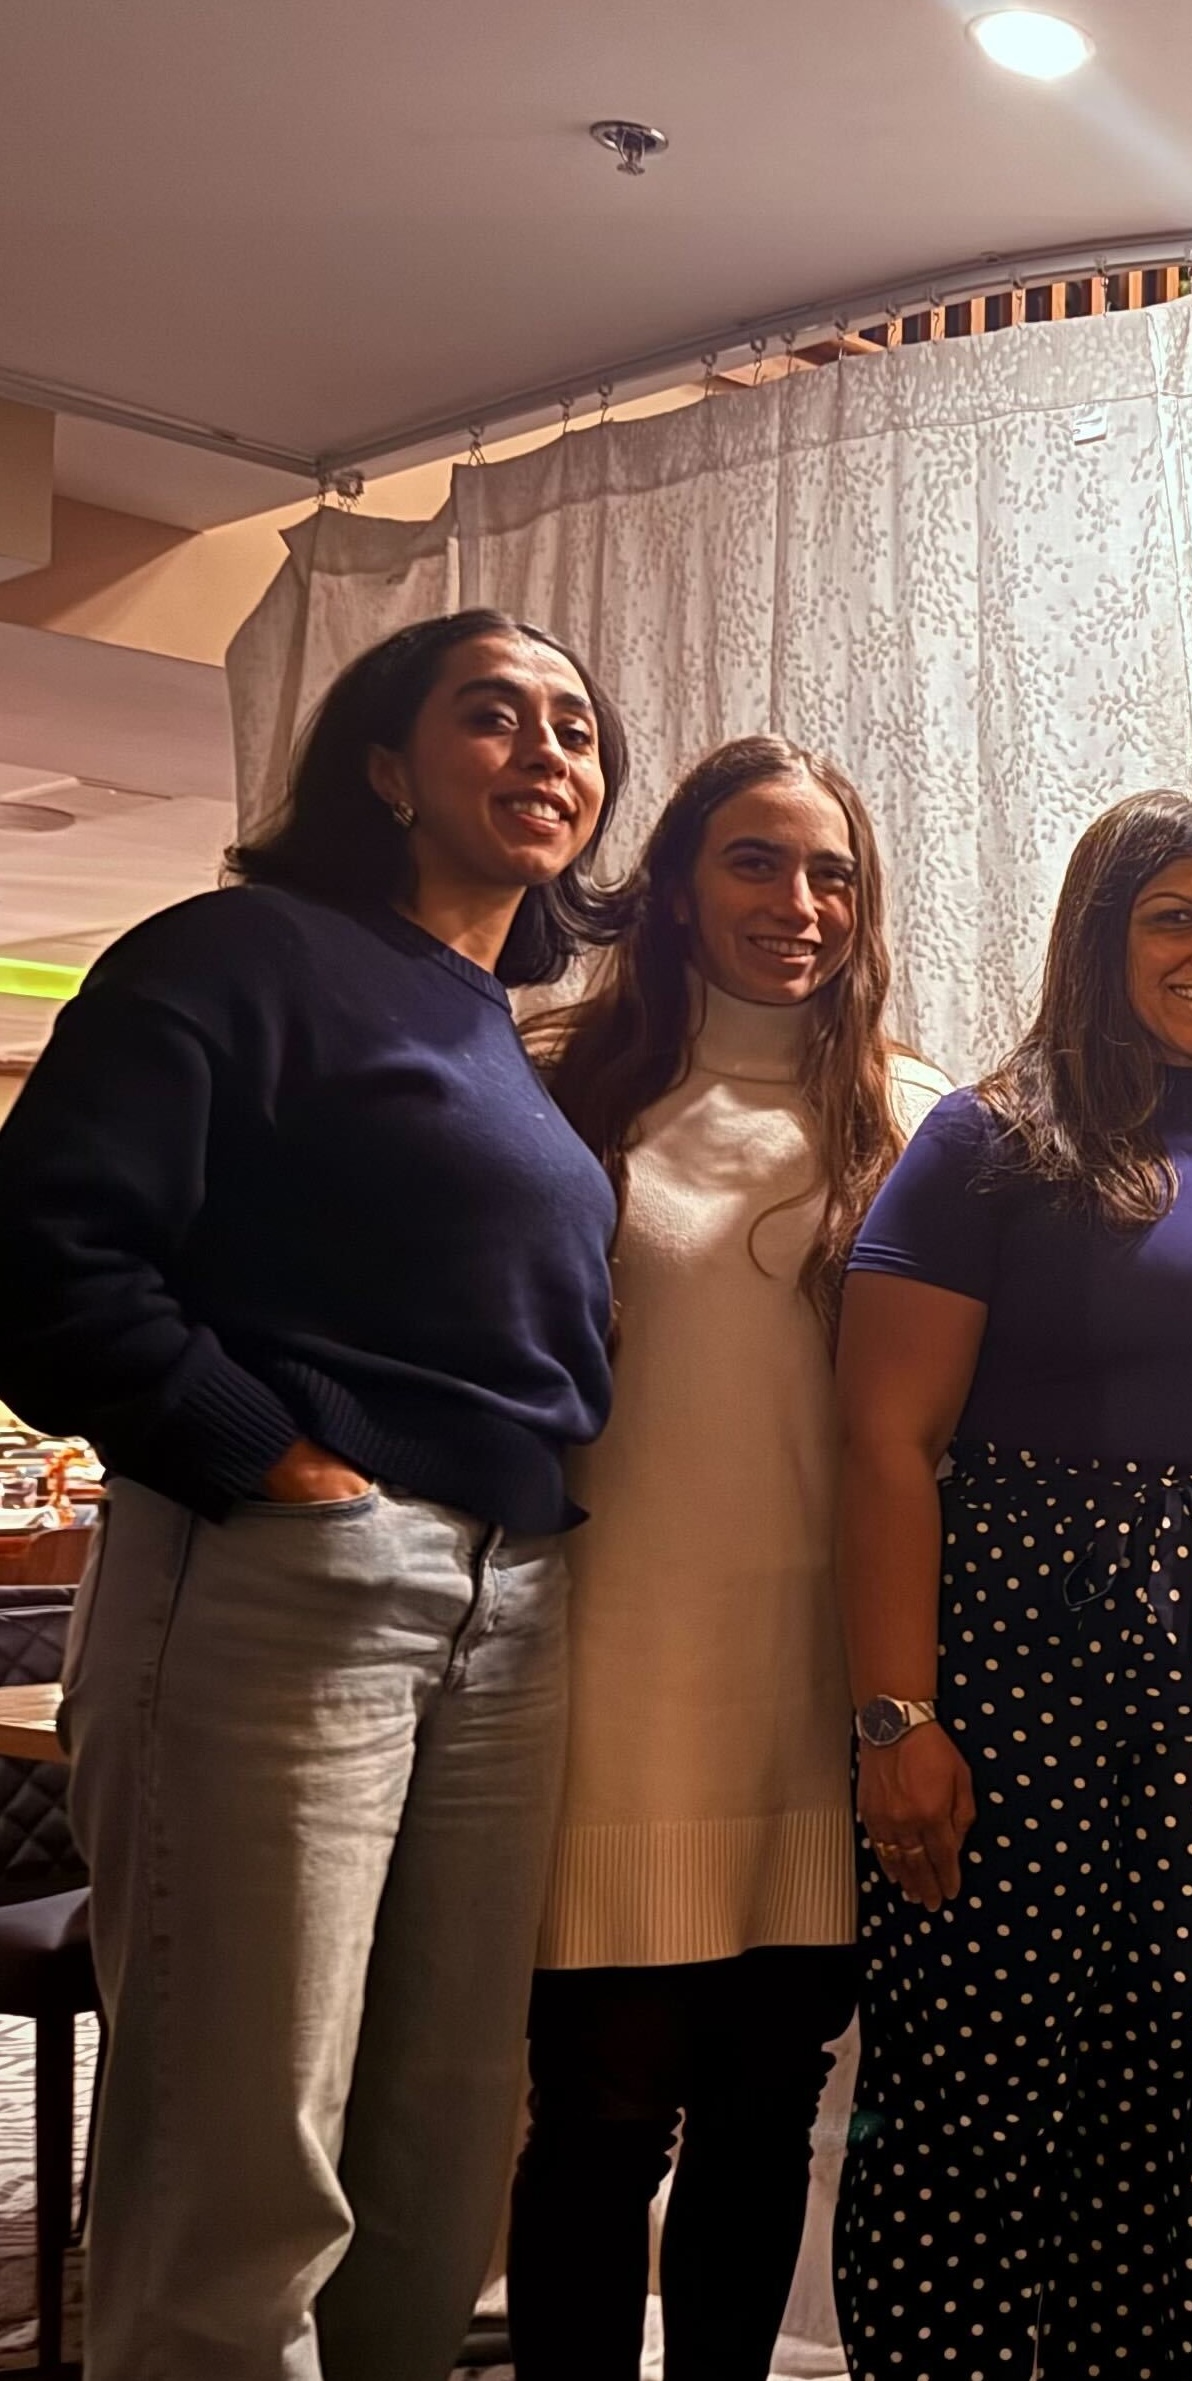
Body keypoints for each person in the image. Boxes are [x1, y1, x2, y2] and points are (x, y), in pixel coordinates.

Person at [0, 609, 624, 2381]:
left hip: (510, 1600)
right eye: (490, 716)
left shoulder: (499, 1031)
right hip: (295, 1580)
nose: (544, 754)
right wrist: (271, 1460)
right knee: (242, 2150)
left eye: (574, 729)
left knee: (434, 2137)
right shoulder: (240, 953)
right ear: (382, 765)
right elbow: (45, 1252)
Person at [830, 790, 1192, 2379]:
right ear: (1099, 933)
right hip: (1010, 1633)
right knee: (974, 2064)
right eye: (1175, 918)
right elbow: (885, 1437)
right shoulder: (987, 1140)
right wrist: (894, 1715)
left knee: (1181, 2072)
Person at [508, 738, 953, 2381]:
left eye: (832, 871)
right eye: (758, 862)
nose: (800, 903)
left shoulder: (916, 1118)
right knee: (601, 2118)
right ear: (681, 884)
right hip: (606, 1682)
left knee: (765, 2120)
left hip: (816, 1694)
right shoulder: (555, 1081)